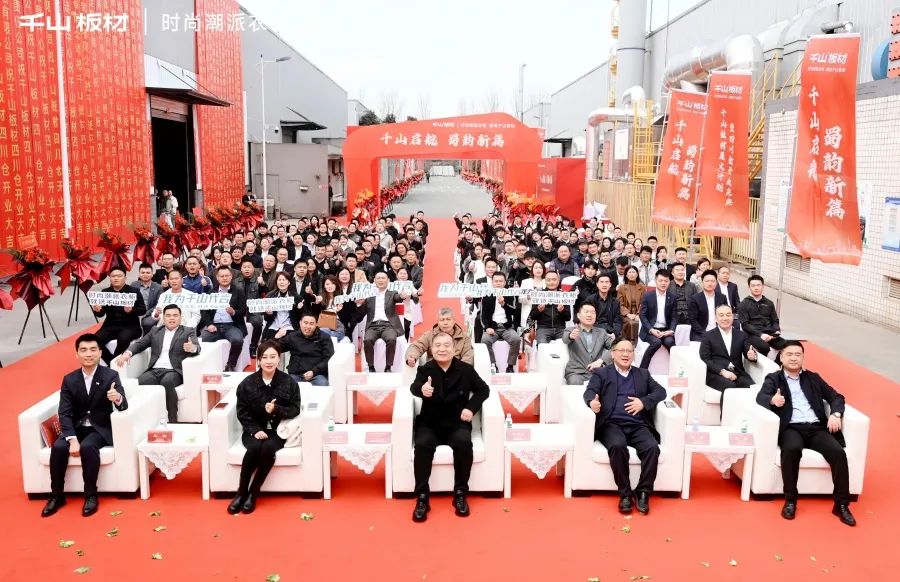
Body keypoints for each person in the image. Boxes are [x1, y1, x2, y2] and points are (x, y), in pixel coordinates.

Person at [755, 341, 855, 526]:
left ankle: (841, 505)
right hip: (791, 427)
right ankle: (790, 500)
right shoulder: (774, 378)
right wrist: (772, 400)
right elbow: (760, 397)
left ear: (803, 357)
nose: (793, 358)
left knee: (838, 453)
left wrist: (835, 414)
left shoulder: (813, 378)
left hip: (816, 428)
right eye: (789, 354)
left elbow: (836, 396)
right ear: (781, 357)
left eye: (797, 354)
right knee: (791, 450)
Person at [42, 334, 128, 518]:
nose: (88, 354)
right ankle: (56, 495)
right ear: (77, 354)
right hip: (76, 427)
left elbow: (123, 405)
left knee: (88, 447)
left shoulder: (110, 375)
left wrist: (117, 398)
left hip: (99, 428)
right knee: (58, 447)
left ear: (100, 353)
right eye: (83, 350)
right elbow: (64, 412)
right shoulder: (69, 379)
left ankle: (90, 495)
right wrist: (72, 439)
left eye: (93, 350)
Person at [409, 332, 490, 522]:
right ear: (432, 349)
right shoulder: (426, 369)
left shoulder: (466, 370)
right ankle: (422, 497)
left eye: (446, 345)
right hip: (430, 423)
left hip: (456, 423)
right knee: (422, 445)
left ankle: (460, 493)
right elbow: (414, 387)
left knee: (463, 444)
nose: (442, 349)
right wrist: (422, 389)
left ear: (454, 349)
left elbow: (483, 389)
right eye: (437, 346)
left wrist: (470, 408)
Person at [583, 338, 666, 515]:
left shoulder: (643, 374)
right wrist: (592, 402)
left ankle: (643, 492)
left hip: (637, 425)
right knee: (617, 446)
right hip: (611, 424)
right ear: (613, 353)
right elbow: (589, 391)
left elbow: (661, 392)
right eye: (621, 350)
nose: (625, 354)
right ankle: (625, 494)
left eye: (629, 351)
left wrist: (643, 402)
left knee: (652, 448)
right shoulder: (602, 373)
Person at [228, 340, 301, 514]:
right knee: (254, 448)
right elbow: (242, 412)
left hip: (278, 430)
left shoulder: (289, 382)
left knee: (268, 448)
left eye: (273, 357)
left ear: (279, 358)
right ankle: (241, 492)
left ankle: (253, 493)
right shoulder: (247, 383)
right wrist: (255, 430)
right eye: (265, 357)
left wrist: (277, 409)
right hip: (254, 428)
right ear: (259, 359)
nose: (269, 361)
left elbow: (295, 409)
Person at [116, 305, 200, 422]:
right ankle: (140, 420)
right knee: (138, 383)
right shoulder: (155, 330)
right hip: (154, 371)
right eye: (168, 315)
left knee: (167, 382)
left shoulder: (188, 331)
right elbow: (140, 344)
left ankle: (172, 420)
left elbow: (197, 347)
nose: (172, 318)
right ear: (163, 318)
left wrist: (193, 348)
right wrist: (127, 353)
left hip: (174, 371)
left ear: (180, 317)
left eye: (175, 315)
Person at [699, 305, 758, 404]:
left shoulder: (741, 335)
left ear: (733, 317)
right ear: (716, 319)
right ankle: (726, 414)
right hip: (716, 374)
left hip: (737, 372)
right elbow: (705, 358)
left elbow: (748, 352)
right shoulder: (708, 336)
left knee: (752, 387)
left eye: (728, 315)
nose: (725, 318)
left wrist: (753, 356)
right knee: (730, 387)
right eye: (721, 315)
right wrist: (722, 371)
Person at [91, 266, 147, 365]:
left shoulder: (134, 291)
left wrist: (131, 310)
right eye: (113, 276)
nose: (116, 278)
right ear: (110, 278)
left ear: (125, 278)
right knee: (95, 341)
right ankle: (111, 362)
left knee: (123, 339)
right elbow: (101, 314)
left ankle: (114, 364)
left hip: (130, 325)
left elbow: (142, 310)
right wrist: (97, 310)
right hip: (110, 325)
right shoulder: (105, 292)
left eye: (119, 276)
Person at [199, 265, 248, 372]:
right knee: (202, 340)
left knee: (237, 340)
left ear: (231, 276)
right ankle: (207, 366)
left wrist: (234, 312)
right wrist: (209, 324)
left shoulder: (238, 291)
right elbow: (204, 311)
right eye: (222, 276)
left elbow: (243, 311)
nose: (224, 278)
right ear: (217, 278)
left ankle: (230, 365)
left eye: (227, 275)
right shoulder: (211, 292)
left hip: (232, 325)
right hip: (214, 325)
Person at [363, 272, 407, 372]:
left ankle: (388, 367)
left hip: (388, 326)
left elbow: (398, 298)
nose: (381, 280)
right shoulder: (369, 296)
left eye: (383, 278)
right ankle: (371, 367)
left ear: (388, 280)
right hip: (372, 326)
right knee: (367, 340)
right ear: (374, 281)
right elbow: (360, 314)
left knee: (391, 339)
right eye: (378, 278)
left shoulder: (392, 293)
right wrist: (359, 304)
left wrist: (402, 296)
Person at [737, 274, 789, 358]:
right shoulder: (743, 304)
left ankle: (779, 363)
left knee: (786, 345)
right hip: (752, 334)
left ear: (763, 286)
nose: (756, 288)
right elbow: (745, 325)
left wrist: (776, 330)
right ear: (749, 287)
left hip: (769, 333)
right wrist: (761, 334)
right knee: (764, 346)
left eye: (758, 285)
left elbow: (775, 320)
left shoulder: (769, 303)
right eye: (753, 286)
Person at [480, 272, 521, 373]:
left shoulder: (510, 294)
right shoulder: (487, 295)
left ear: (505, 282)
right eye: (496, 281)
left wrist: (504, 304)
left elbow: (515, 311)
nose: (498, 283)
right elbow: (483, 316)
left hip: (507, 327)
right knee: (485, 340)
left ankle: (510, 366)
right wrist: (487, 328)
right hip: (492, 327)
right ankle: (493, 365)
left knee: (516, 339)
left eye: (500, 281)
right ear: (492, 282)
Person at [279, 312, 334, 385]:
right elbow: (278, 347)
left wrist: (314, 371)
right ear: (300, 323)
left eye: (311, 324)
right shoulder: (293, 336)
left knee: (322, 383)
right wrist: (276, 337)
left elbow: (328, 358)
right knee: (287, 384)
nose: (308, 326)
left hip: (317, 374)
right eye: (305, 323)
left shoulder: (324, 337)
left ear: (316, 324)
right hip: (296, 374)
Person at [406, 307, 474, 366]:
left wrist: (461, 370)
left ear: (454, 321)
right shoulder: (430, 335)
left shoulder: (464, 337)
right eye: (442, 320)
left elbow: (467, 356)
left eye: (448, 319)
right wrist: (412, 357)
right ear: (438, 322)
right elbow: (417, 346)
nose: (445, 323)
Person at [563, 303, 613, 384]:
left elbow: (616, 347)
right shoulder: (570, 330)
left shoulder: (602, 332)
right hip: (576, 372)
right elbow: (565, 339)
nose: (589, 315)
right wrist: (570, 336)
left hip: (597, 372)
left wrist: (601, 361)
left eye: (593, 312)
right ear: (578, 315)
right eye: (586, 312)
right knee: (575, 383)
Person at [637, 271, 677, 369]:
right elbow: (642, 315)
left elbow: (674, 317)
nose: (663, 283)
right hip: (650, 330)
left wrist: (671, 330)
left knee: (670, 343)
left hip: (665, 331)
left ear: (669, 282)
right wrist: (651, 330)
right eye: (660, 280)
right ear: (656, 281)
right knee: (656, 342)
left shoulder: (672, 297)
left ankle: (676, 370)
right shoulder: (647, 296)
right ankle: (642, 370)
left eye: (666, 281)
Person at [530, 270, 571, 344]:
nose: (551, 282)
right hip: (543, 328)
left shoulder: (563, 295)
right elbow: (532, 316)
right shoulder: (539, 295)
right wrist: (539, 310)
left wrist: (562, 311)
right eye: (548, 280)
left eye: (554, 279)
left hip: (560, 328)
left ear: (558, 280)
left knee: (564, 346)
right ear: (545, 281)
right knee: (542, 346)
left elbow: (568, 317)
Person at [688, 269, 727, 341]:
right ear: (702, 282)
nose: (710, 283)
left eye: (712, 281)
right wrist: (704, 333)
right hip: (700, 332)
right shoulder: (695, 299)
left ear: (716, 283)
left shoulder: (722, 297)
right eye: (707, 281)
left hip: (719, 331)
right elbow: (693, 320)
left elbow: (725, 316)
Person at [261, 272, 299, 343]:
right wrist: (269, 314)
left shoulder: (296, 297)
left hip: (289, 326)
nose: (281, 282)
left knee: (288, 342)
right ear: (276, 282)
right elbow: (266, 318)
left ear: (289, 282)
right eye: (279, 280)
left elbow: (298, 316)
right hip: (274, 325)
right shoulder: (270, 295)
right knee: (267, 344)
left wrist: (299, 308)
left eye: (284, 280)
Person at [586, 273, 622, 339]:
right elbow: (587, 319)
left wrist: (614, 334)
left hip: (610, 331)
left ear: (610, 285)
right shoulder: (590, 300)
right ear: (597, 284)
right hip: (594, 331)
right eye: (601, 282)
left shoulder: (615, 302)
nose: (604, 285)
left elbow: (618, 321)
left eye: (606, 282)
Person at [616, 265, 645, 343]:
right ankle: (631, 342)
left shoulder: (643, 287)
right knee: (631, 323)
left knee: (638, 322)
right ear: (626, 275)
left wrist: (638, 315)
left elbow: (644, 303)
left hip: (639, 314)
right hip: (626, 315)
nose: (632, 274)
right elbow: (619, 304)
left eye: (633, 272)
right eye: (630, 272)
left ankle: (639, 343)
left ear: (637, 274)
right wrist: (628, 314)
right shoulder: (621, 287)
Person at [136, 263, 164, 335]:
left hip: (150, 313)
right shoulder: (134, 285)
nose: (145, 275)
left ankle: (147, 338)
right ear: (139, 274)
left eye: (148, 273)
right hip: (136, 313)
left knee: (147, 323)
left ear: (152, 274)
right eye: (143, 272)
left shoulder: (158, 287)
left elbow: (158, 304)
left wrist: (146, 314)